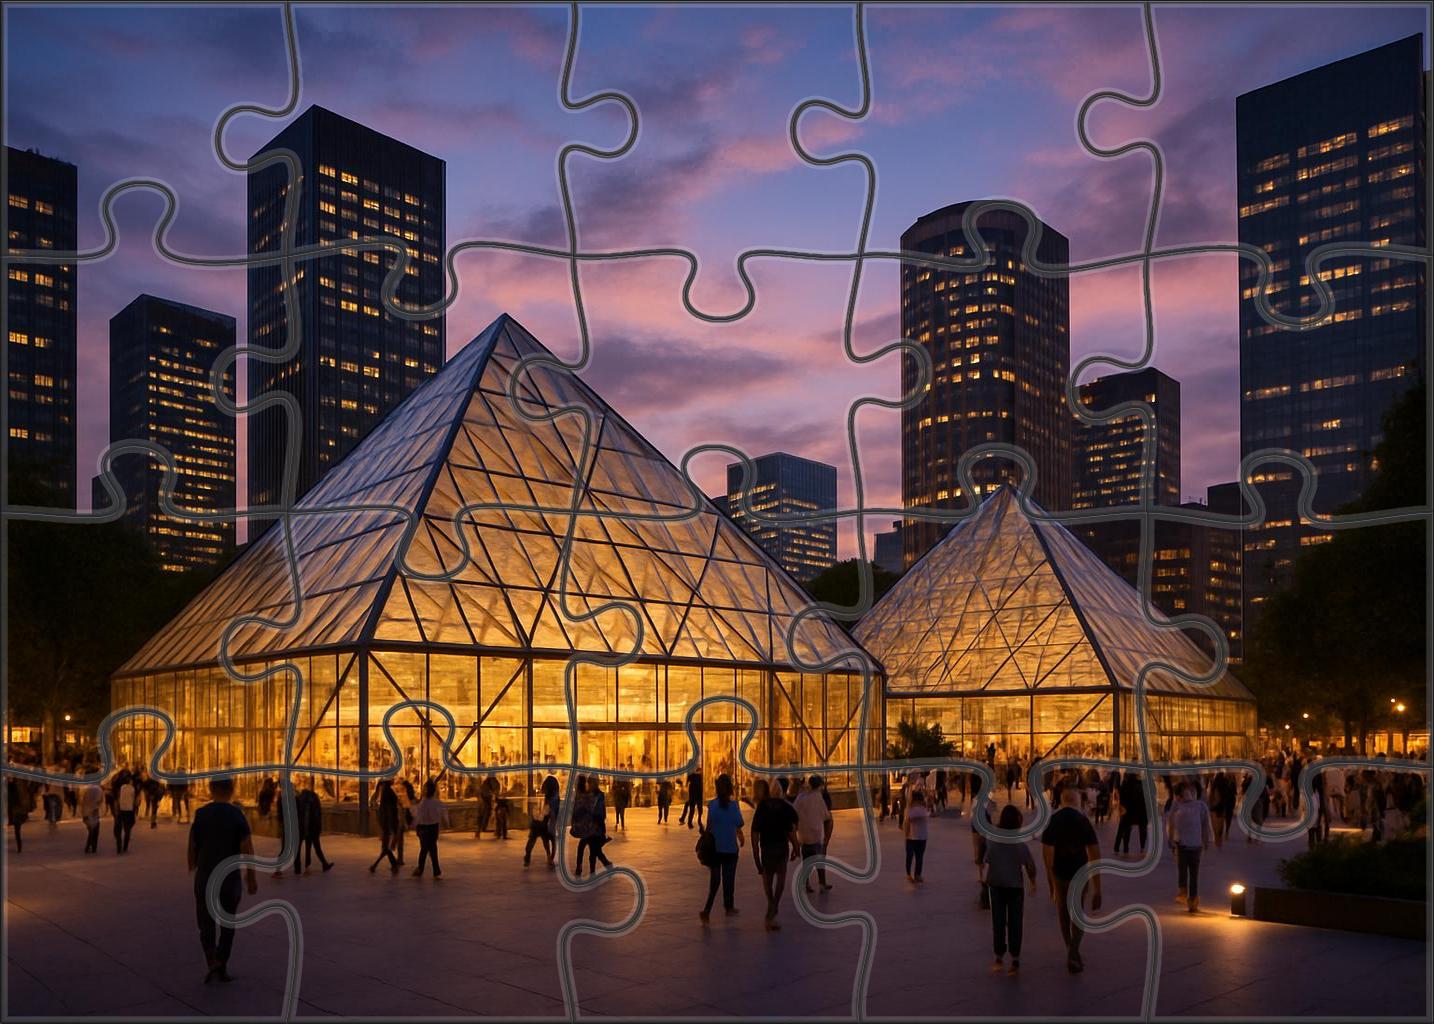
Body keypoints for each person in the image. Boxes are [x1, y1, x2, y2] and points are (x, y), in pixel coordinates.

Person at [188, 777, 258, 984]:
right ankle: (222, 962)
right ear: (232, 789)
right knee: (228, 923)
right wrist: (251, 876)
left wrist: (192, 863)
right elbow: (247, 846)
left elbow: (192, 843)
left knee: (205, 922)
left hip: (205, 876)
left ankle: (211, 961)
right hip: (229, 878)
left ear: (210, 789)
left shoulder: (201, 814)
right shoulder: (237, 815)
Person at [1040, 785, 1102, 973]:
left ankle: (1070, 949)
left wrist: (1050, 882)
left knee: (1063, 914)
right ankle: (1074, 951)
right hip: (1080, 873)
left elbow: (1047, 855)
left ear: (1060, 801)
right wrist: (1097, 887)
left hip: (1060, 873)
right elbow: (1094, 853)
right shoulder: (1083, 821)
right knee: (1078, 913)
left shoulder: (1054, 821)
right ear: (1078, 801)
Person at [980, 805, 1038, 975]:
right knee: (1015, 922)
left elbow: (987, 859)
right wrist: (1033, 881)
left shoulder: (992, 838)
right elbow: (1029, 864)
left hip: (996, 885)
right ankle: (1015, 958)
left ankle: (998, 956)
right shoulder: (1019, 842)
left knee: (997, 922)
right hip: (1015, 887)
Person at [750, 779, 801, 930]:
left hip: (767, 848)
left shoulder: (762, 807)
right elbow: (791, 829)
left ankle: (771, 905)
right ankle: (773, 907)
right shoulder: (785, 807)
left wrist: (756, 855)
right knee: (781, 879)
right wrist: (796, 847)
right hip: (781, 848)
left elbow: (754, 833)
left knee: (768, 880)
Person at [700, 773, 745, 923]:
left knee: (715, 881)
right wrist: (740, 836)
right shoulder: (734, 806)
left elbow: (709, 826)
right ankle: (729, 906)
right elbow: (739, 823)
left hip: (715, 848)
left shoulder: (712, 805)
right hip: (730, 848)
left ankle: (707, 908)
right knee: (728, 878)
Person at [1167, 782, 1213, 912]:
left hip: (1185, 845)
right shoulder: (1199, 806)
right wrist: (1206, 841)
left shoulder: (1182, 805)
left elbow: (1171, 823)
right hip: (1191, 845)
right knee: (1192, 873)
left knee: (1185, 871)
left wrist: (1170, 839)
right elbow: (1205, 825)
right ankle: (1192, 899)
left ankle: (1187, 895)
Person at [793, 775, 833, 894]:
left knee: (806, 861)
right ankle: (822, 884)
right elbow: (826, 815)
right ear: (820, 785)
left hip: (804, 834)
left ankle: (806, 883)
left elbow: (794, 811)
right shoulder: (818, 797)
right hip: (816, 834)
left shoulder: (801, 797)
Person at [411, 780, 450, 879]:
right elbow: (444, 814)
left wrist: (414, 825)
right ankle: (435, 870)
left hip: (423, 828)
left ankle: (421, 869)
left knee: (424, 848)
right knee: (432, 848)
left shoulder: (422, 804)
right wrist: (446, 823)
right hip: (433, 828)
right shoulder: (437, 803)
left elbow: (418, 816)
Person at [294, 783, 334, 874]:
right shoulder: (313, 800)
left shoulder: (300, 800)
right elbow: (315, 816)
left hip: (302, 827)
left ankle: (299, 868)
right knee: (314, 847)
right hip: (311, 828)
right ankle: (317, 865)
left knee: (300, 848)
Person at [524, 776, 559, 869]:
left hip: (539, 822)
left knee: (533, 840)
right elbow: (552, 812)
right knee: (548, 840)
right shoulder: (554, 797)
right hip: (545, 822)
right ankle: (549, 858)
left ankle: (528, 856)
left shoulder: (546, 797)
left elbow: (542, 809)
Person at [368, 780, 401, 874]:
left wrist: (391, 831)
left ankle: (377, 865)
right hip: (388, 826)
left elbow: (389, 815)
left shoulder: (386, 798)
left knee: (385, 848)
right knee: (385, 848)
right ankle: (392, 864)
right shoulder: (389, 796)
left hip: (388, 827)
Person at [1115, 771, 1149, 856]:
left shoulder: (1125, 784)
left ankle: (1126, 850)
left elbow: (1122, 798)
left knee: (1127, 830)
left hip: (1128, 810)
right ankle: (1142, 849)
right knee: (1142, 829)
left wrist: (1122, 808)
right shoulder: (1142, 783)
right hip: (1141, 810)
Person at [904, 789, 931, 883]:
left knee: (917, 857)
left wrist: (909, 806)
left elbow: (911, 816)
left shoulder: (920, 809)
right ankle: (912, 874)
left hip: (917, 837)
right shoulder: (919, 808)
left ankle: (916, 874)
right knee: (913, 857)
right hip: (914, 837)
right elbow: (908, 818)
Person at [7, 777, 34, 853]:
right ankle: (19, 847)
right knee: (17, 831)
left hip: (15, 811)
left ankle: (19, 847)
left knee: (17, 831)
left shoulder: (17, 788)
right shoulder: (16, 788)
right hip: (13, 811)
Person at [114, 771, 137, 853]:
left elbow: (118, 798)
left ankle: (119, 845)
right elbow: (134, 800)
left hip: (121, 810)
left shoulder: (122, 787)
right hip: (129, 810)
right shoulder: (132, 789)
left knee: (118, 829)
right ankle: (125, 846)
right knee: (127, 830)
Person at [80, 778, 104, 854]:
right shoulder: (99, 789)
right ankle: (92, 847)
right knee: (94, 831)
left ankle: (89, 847)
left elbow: (82, 800)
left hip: (86, 812)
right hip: (94, 812)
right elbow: (99, 801)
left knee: (91, 830)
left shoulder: (85, 788)